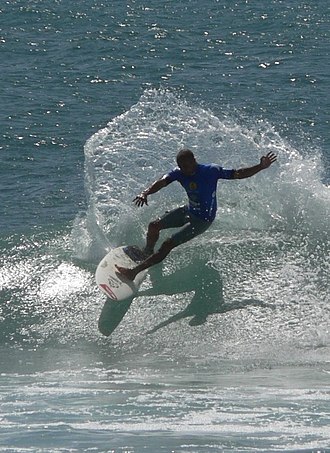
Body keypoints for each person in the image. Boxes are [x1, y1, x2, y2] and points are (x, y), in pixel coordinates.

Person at [116, 148, 277, 281]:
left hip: (203, 220)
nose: (186, 170)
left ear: (194, 160)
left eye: (188, 165)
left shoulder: (211, 171)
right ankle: (148, 252)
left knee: (167, 244)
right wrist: (146, 193)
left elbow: (238, 173)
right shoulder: (179, 173)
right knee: (154, 226)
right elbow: (162, 181)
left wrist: (260, 166)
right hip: (190, 210)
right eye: (182, 167)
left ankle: (134, 272)